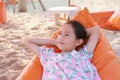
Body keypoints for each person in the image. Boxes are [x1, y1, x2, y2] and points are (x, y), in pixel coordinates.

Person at [24, 20, 101, 80]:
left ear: (78, 42)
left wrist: (80, 35)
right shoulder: (49, 55)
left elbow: (96, 29)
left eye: (67, 35)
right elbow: (27, 41)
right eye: (60, 33)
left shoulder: (83, 54)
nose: (61, 37)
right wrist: (54, 42)